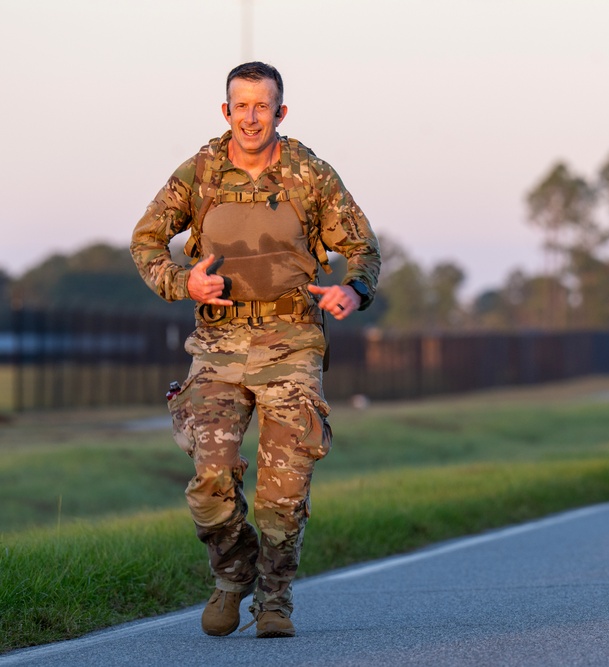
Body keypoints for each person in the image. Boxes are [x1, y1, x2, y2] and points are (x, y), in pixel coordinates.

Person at [131, 62, 381, 639]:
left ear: (279, 112)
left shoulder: (310, 174)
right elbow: (146, 240)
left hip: (291, 343)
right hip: (217, 346)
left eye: (261, 106)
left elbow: (363, 247)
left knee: (285, 488)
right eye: (240, 106)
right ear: (226, 111)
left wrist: (354, 289)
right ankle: (233, 573)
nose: (250, 117)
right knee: (210, 481)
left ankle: (274, 599)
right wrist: (183, 283)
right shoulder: (199, 173)